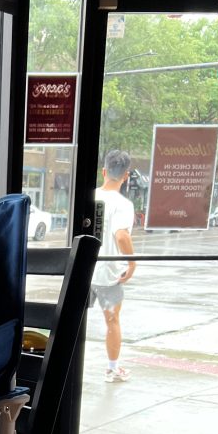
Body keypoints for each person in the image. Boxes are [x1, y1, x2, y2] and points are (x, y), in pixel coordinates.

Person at [91, 149, 137, 383]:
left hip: (85, 271)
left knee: (73, 319)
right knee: (112, 320)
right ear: (126, 175)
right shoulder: (123, 204)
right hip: (108, 274)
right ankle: (112, 369)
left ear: (104, 171)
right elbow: (121, 235)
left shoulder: (90, 197)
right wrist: (132, 262)